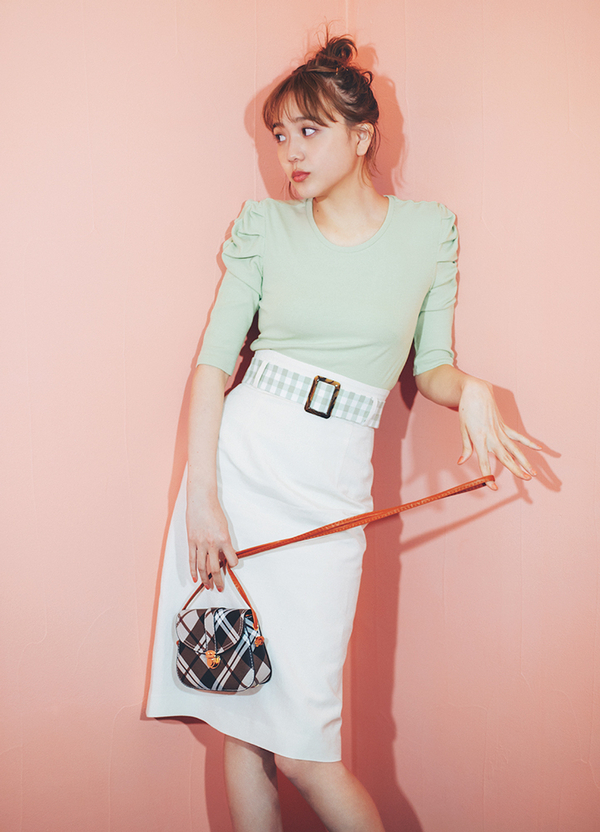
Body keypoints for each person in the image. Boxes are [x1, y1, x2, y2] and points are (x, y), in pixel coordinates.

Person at [147, 34, 541, 832]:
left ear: (362, 137)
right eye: (279, 135)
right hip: (241, 474)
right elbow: (211, 369)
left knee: (306, 749)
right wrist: (203, 502)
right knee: (242, 719)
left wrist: (474, 392)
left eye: (309, 130)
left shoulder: (428, 232)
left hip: (332, 484)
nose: (289, 152)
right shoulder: (264, 227)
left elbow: (432, 366)